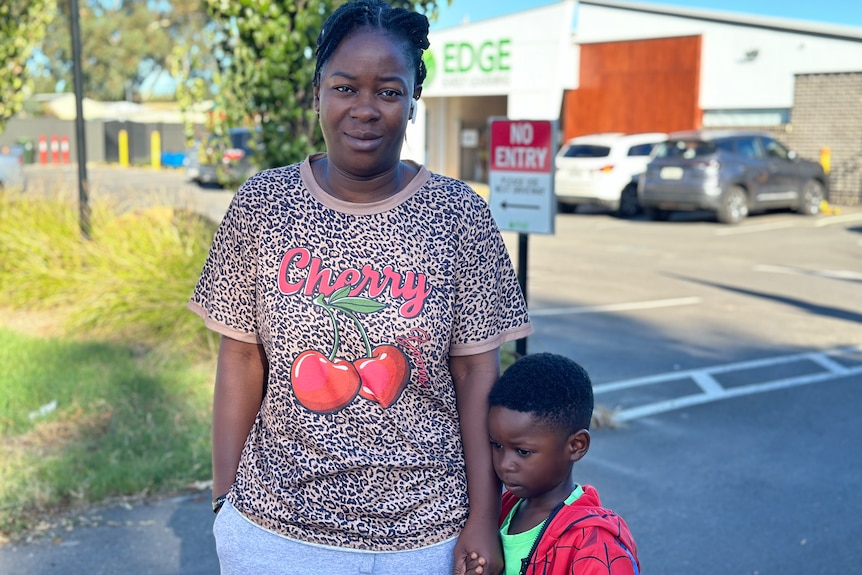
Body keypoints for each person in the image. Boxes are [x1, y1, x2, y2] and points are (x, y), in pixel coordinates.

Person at [187, 1, 531, 574]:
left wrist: (481, 516)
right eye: (345, 87)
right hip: (275, 531)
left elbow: (477, 374)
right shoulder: (264, 205)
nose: (365, 109)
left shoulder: (460, 216)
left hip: (426, 537)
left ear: (413, 101)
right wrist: (225, 499)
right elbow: (242, 356)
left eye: (389, 92)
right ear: (317, 91)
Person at [480, 353, 640, 575]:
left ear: (576, 446)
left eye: (523, 451)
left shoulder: (595, 545)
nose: (505, 464)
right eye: (496, 445)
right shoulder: (500, 509)